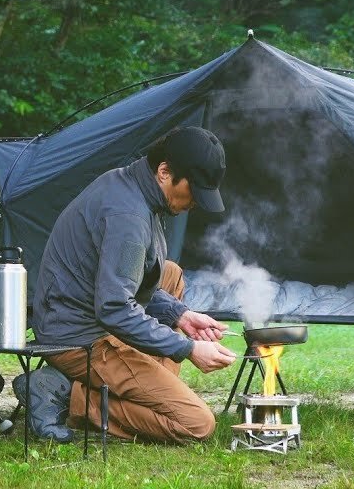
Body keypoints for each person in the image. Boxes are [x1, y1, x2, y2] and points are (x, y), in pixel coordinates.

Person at [14, 126, 237, 444]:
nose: (195, 204)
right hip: (79, 338)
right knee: (196, 422)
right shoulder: (128, 215)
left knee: (170, 274)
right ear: (164, 171)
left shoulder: (132, 185)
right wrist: (188, 348)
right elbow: (115, 308)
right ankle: (67, 394)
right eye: (194, 192)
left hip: (87, 315)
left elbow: (133, 282)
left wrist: (181, 316)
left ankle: (135, 385)